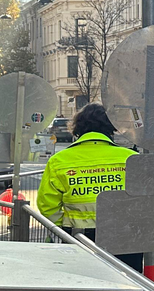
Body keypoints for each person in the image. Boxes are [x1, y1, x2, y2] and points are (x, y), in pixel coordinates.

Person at [37, 103, 141, 269]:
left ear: (78, 128)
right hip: (124, 237)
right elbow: (144, 199)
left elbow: (47, 205)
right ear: (111, 127)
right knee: (127, 287)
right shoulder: (131, 158)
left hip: (78, 238)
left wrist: (63, 229)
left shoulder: (59, 160)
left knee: (82, 287)